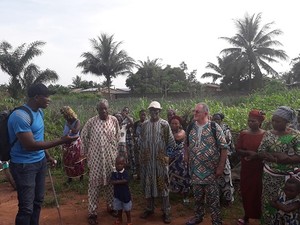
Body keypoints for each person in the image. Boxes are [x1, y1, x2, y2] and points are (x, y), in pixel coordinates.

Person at [8, 83, 78, 225]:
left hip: (40, 162)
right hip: (24, 166)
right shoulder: (20, 116)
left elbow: (38, 139)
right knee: (26, 208)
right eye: (46, 96)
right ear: (36, 97)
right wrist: (62, 140)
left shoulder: (39, 112)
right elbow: (29, 145)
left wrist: (48, 156)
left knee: (38, 201)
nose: (49, 99)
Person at [247, 106, 300, 224]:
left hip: (289, 180)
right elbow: (261, 151)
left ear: (287, 122)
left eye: (278, 121)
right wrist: (268, 156)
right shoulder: (268, 134)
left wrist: (287, 159)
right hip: (269, 176)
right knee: (268, 202)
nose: (274, 123)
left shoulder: (296, 136)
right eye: (273, 120)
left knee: (287, 205)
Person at [185, 103, 228, 225]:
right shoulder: (191, 126)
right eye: (194, 111)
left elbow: (224, 148)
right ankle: (198, 217)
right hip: (195, 171)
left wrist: (220, 167)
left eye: (197, 111)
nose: (195, 113)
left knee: (213, 199)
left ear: (205, 113)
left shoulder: (214, 127)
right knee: (197, 197)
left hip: (211, 171)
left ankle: (216, 221)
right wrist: (186, 155)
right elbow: (186, 143)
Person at [80, 99, 120, 225]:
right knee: (94, 187)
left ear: (108, 109)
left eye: (105, 108)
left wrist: (116, 152)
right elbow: (83, 137)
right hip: (96, 161)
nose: (103, 111)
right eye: (100, 109)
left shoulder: (114, 120)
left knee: (110, 185)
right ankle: (92, 213)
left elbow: (118, 137)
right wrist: (87, 154)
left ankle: (111, 206)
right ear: (97, 110)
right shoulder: (91, 122)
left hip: (110, 159)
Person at [139, 101, 175, 224]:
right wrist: (142, 159)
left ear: (159, 111)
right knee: (149, 184)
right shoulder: (144, 125)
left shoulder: (165, 125)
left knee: (163, 185)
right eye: (152, 110)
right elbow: (140, 143)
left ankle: (166, 211)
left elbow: (171, 143)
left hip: (160, 162)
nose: (154, 112)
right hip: (148, 162)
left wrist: (167, 158)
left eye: (157, 110)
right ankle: (149, 208)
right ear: (149, 111)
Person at [235, 109, 266, 225]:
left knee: (260, 191)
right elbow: (237, 149)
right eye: (249, 121)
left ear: (260, 122)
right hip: (247, 168)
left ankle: (261, 215)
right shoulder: (244, 134)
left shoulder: (265, 135)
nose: (250, 123)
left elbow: (267, 152)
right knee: (247, 191)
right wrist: (248, 153)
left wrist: (256, 156)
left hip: (260, 168)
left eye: (253, 121)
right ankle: (247, 215)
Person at [212, 113, 234, 206]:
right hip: (213, 158)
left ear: (221, 120)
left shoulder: (226, 130)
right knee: (214, 180)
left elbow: (226, 142)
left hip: (223, 157)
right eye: (214, 119)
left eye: (218, 119)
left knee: (226, 178)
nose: (216, 121)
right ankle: (215, 201)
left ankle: (227, 200)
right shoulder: (210, 128)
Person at [168, 115, 190, 204]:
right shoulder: (168, 133)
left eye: (176, 123)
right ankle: (172, 193)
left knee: (184, 176)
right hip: (170, 158)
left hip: (181, 159)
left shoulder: (183, 132)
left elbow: (176, 137)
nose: (174, 125)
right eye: (172, 123)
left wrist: (166, 135)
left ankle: (185, 196)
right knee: (168, 175)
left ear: (179, 124)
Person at [60, 106, 85, 183]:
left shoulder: (77, 121)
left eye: (65, 115)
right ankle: (70, 178)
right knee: (68, 160)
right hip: (67, 143)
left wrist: (69, 126)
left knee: (77, 160)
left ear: (68, 114)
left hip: (75, 144)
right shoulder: (67, 121)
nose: (64, 117)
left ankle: (81, 177)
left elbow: (75, 131)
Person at [110, 155, 132, 225]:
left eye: (121, 164)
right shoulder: (114, 172)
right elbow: (112, 182)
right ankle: (120, 219)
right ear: (115, 164)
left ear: (124, 164)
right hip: (117, 195)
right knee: (119, 209)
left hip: (125, 195)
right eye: (117, 164)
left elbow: (126, 180)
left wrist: (116, 182)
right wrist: (120, 181)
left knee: (127, 210)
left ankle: (129, 220)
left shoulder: (125, 172)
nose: (119, 165)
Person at [120, 107, 135, 175]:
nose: (125, 112)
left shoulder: (129, 119)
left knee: (131, 155)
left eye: (126, 111)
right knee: (123, 157)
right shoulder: (119, 119)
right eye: (124, 110)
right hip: (121, 142)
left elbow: (132, 123)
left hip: (129, 140)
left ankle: (132, 171)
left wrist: (126, 116)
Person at [133, 109, 147, 179]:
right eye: (142, 115)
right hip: (137, 145)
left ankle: (144, 175)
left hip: (145, 145)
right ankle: (139, 176)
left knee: (144, 161)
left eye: (144, 115)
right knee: (137, 161)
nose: (143, 116)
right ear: (139, 115)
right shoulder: (136, 124)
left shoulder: (148, 124)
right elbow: (134, 134)